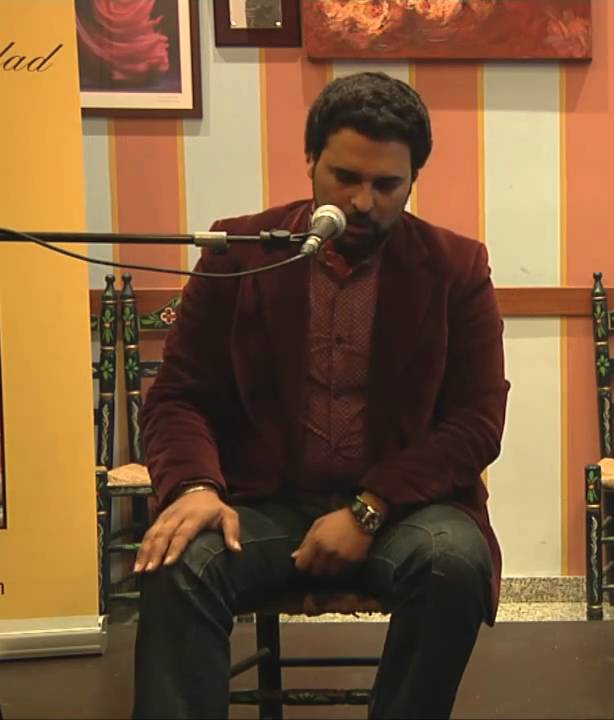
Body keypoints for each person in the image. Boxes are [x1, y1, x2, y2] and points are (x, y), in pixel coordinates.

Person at [131, 71, 509, 719]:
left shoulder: (456, 266)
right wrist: (194, 487)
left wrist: (370, 507)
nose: (364, 202)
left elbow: (477, 422)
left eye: (387, 185)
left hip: (402, 514)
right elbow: (178, 396)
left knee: (455, 564)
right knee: (177, 560)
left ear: (415, 178)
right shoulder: (240, 253)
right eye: (345, 177)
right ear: (309, 161)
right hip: (265, 506)